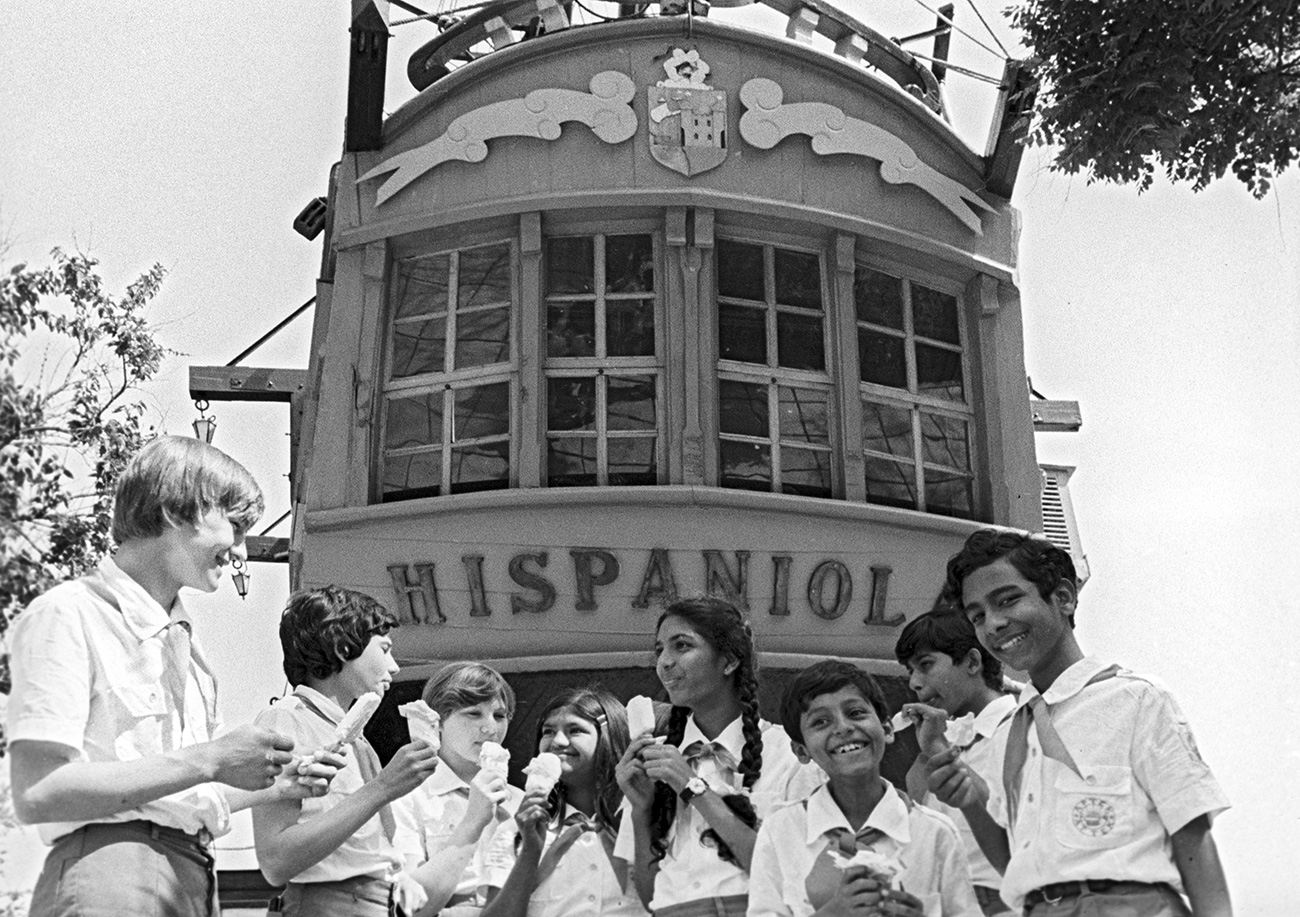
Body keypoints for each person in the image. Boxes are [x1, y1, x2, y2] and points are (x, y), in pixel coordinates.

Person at [7, 435, 340, 917]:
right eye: (235, 526)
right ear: (175, 510)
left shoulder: (188, 648)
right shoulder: (69, 614)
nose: (242, 550)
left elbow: (180, 790)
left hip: (194, 876)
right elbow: (40, 792)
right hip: (112, 873)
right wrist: (209, 758)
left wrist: (283, 784)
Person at [926, 529, 1232, 917]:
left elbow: (1193, 838)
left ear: (1065, 598)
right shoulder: (1010, 734)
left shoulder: (1135, 700)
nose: (994, 624)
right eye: (978, 616)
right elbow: (1016, 865)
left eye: (1008, 600)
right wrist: (971, 802)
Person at [614, 595, 821, 917]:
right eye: (659, 650)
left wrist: (693, 788)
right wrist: (641, 810)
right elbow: (651, 895)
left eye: (682, 646)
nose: (665, 662)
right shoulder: (655, 762)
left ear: (728, 661)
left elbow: (794, 876)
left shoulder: (790, 755)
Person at [251, 585, 443, 916]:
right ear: (342, 647)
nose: (394, 666)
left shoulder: (359, 742)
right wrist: (383, 787)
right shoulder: (287, 718)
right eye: (384, 649)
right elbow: (275, 859)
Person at [748, 659, 981, 917]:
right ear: (801, 751)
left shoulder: (935, 833)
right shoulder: (781, 831)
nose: (844, 727)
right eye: (821, 722)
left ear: (887, 728)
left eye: (856, 713)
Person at [481, 686, 647, 917]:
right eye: (548, 731)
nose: (558, 741)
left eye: (575, 730)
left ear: (610, 739)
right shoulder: (514, 831)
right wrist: (530, 850)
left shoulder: (642, 818)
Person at [894, 608, 1017, 915]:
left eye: (925, 665)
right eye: (910, 671)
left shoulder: (1022, 730)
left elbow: (1015, 833)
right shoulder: (945, 742)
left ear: (973, 662)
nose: (914, 683)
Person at [392, 661, 523, 915]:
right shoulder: (407, 796)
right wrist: (473, 821)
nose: (490, 728)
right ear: (436, 721)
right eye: (473, 713)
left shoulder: (520, 799)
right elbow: (407, 908)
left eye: (499, 715)